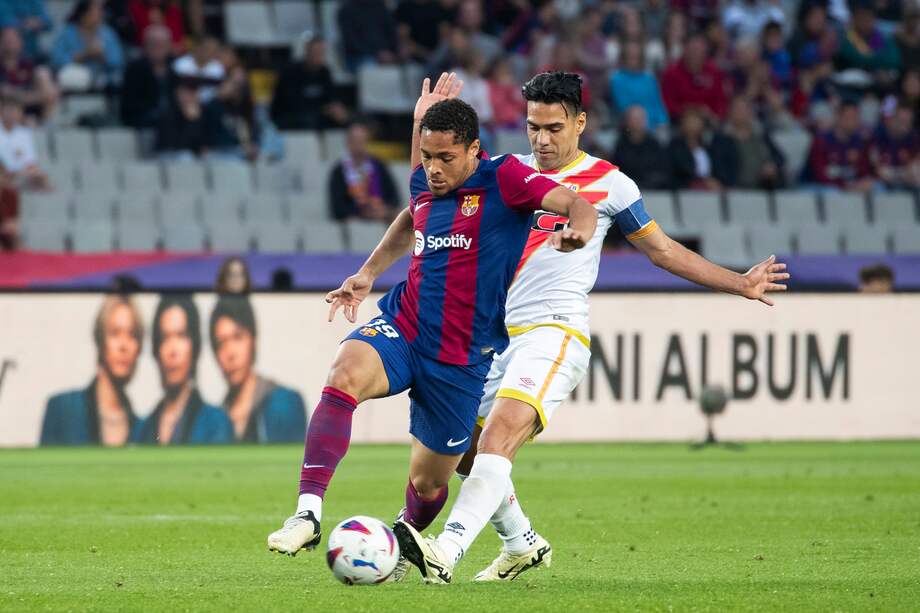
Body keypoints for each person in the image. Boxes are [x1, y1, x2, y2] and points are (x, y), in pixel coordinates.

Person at [393, 72, 790, 584]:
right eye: (533, 126)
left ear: (579, 122)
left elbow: (663, 251)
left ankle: (445, 551)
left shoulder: (611, 184)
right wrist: (421, 124)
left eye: (554, 127)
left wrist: (740, 283)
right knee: (465, 457)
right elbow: (425, 201)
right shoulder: (502, 172)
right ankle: (521, 544)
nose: (542, 139)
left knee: (498, 439)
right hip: (490, 339)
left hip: (554, 331)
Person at [265, 86, 599, 568]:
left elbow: (577, 205)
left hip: (461, 358)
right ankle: (307, 514)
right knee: (343, 376)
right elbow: (410, 217)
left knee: (429, 482)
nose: (434, 168)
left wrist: (579, 232)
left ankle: (408, 539)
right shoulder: (426, 178)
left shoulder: (505, 178)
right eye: (426, 156)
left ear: (473, 152)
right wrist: (367, 274)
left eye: (446, 157)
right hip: (406, 325)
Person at [41, 295, 143, 446]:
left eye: (132, 335)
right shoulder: (62, 408)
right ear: (100, 339)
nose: (124, 345)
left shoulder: (142, 428)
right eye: (115, 333)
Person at [135, 295, 233, 445]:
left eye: (181, 336)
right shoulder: (141, 430)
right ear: (157, 349)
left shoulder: (216, 423)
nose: (173, 351)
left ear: (195, 345)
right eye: (164, 338)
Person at [210, 296, 307, 443]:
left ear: (253, 340)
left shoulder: (283, 403)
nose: (230, 353)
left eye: (238, 337)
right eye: (221, 343)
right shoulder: (217, 418)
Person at [270, 36, 348, 131]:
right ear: (307, 52)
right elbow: (292, 105)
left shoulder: (325, 72)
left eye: (321, 52)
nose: (319, 55)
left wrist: (336, 109)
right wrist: (324, 110)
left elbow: (331, 97)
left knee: (342, 119)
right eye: (315, 52)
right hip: (289, 117)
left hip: (316, 116)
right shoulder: (291, 72)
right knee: (308, 121)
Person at [328, 121, 400, 222]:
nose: (359, 145)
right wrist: (362, 211)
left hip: (381, 217)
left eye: (362, 141)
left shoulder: (379, 166)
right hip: (354, 221)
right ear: (348, 143)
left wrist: (384, 209)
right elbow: (337, 207)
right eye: (356, 141)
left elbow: (394, 197)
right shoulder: (339, 171)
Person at [709, 97, 785, 189]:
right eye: (737, 109)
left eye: (744, 109)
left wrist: (772, 165)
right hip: (734, 189)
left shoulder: (761, 136)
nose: (741, 113)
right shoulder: (721, 139)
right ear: (730, 112)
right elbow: (716, 166)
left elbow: (779, 157)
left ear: (751, 112)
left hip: (762, 187)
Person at [50, 0, 124, 89]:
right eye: (96, 11)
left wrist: (102, 56)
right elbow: (56, 60)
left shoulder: (107, 33)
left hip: (104, 82)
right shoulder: (67, 33)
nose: (101, 15)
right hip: (74, 84)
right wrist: (84, 55)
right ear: (83, 15)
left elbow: (117, 61)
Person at [806, 101, 875, 191]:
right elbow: (820, 176)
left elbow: (864, 172)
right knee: (831, 191)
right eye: (849, 117)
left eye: (856, 117)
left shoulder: (861, 142)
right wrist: (846, 187)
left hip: (851, 187)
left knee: (877, 188)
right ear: (838, 117)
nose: (854, 121)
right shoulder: (821, 141)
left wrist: (862, 183)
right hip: (818, 187)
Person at [661, 34, 728, 122]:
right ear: (685, 50)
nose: (696, 54)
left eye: (700, 50)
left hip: (710, 121)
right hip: (679, 121)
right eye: (693, 49)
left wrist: (710, 114)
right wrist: (688, 111)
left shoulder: (715, 72)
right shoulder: (671, 73)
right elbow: (667, 103)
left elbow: (721, 102)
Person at [120, 24, 175, 129]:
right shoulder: (134, 69)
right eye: (153, 44)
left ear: (169, 46)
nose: (157, 48)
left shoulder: (174, 68)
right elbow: (130, 104)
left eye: (161, 45)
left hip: (169, 117)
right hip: (142, 117)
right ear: (145, 45)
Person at [609, 40, 669, 131]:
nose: (633, 59)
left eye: (636, 56)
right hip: (630, 127)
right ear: (624, 58)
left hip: (655, 127)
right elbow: (623, 107)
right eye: (630, 56)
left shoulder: (649, 79)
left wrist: (663, 122)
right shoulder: (617, 80)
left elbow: (658, 105)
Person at [0, 27, 58, 120]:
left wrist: (17, 95)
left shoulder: (30, 64)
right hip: (5, 114)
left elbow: (49, 94)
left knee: (43, 73)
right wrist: (37, 96)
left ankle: (45, 125)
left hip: (30, 111)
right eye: (6, 40)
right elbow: (4, 93)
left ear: (20, 42)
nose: (9, 44)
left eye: (13, 40)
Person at [612, 105, 672, 189]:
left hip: (654, 191)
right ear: (627, 121)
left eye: (641, 118)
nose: (639, 122)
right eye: (635, 118)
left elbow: (663, 171)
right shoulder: (620, 146)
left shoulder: (654, 144)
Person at [0, 96, 49, 190]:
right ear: (1, 111)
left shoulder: (25, 134)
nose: (12, 114)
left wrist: (27, 172)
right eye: (9, 110)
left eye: (15, 111)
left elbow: (30, 162)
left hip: (19, 174)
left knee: (42, 179)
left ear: (20, 113)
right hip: (3, 172)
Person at [667, 108, 722, 191]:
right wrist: (702, 182)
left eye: (696, 121)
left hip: (711, 190)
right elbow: (679, 172)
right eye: (689, 121)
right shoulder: (675, 147)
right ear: (682, 124)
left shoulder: (709, 148)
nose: (693, 125)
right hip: (686, 190)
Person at [872, 102, 920, 190]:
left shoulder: (915, 139)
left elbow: (915, 171)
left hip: (908, 185)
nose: (904, 125)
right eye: (901, 120)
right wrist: (902, 174)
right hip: (883, 186)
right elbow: (880, 172)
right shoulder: (877, 136)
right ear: (891, 119)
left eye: (908, 122)